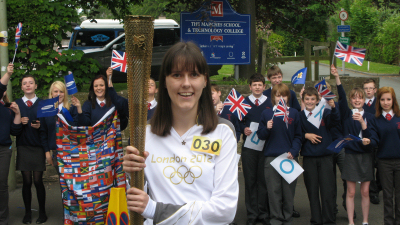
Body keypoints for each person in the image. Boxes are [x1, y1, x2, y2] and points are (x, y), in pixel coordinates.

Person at [122, 41, 239, 224]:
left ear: (205, 80)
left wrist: (156, 210)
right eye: (177, 75)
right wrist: (132, 175)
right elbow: (138, 203)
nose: (186, 83)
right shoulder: (144, 135)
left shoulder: (223, 133)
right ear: (165, 82)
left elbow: (225, 210)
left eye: (194, 74)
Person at [332, 65, 374, 225]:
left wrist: (363, 123)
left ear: (364, 100)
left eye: (360, 98)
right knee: (350, 192)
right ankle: (351, 222)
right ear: (351, 100)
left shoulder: (370, 116)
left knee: (364, 192)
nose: (357, 100)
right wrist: (337, 77)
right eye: (354, 98)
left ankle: (365, 221)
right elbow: (341, 98)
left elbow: (371, 137)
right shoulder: (346, 115)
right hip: (350, 156)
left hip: (365, 157)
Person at [257, 83, 302, 225]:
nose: (281, 98)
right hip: (271, 158)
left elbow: (298, 136)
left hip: (289, 157)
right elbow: (260, 135)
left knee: (288, 193)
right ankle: (276, 219)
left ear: (288, 97)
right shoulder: (266, 114)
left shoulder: (294, 113)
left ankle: (287, 218)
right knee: (273, 192)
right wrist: (267, 128)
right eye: (278, 95)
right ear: (273, 97)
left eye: (284, 95)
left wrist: (293, 151)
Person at [300, 87, 339, 225]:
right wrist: (306, 135)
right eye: (307, 99)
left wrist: (334, 108)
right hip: (309, 158)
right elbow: (296, 134)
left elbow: (334, 122)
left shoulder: (325, 112)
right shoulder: (300, 115)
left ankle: (328, 220)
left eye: (312, 99)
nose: (310, 101)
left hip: (325, 156)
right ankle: (316, 220)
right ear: (303, 100)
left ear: (317, 100)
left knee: (327, 190)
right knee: (312, 191)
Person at [15, 74, 50, 224]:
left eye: (31, 83)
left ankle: (42, 212)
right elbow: (13, 130)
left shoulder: (43, 104)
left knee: (38, 181)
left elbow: (49, 128)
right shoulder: (16, 104)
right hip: (23, 146)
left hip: (38, 147)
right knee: (26, 181)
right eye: (25, 83)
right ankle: (28, 213)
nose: (28, 85)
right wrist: (18, 122)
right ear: (21, 87)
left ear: (36, 86)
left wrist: (40, 126)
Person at [240, 73, 271, 225]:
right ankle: (252, 215)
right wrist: (243, 128)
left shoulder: (270, 103)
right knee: (250, 181)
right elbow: (237, 121)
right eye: (254, 85)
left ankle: (263, 214)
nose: (257, 87)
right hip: (249, 148)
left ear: (264, 87)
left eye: (260, 85)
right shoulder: (244, 102)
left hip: (266, 147)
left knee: (263, 181)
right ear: (250, 87)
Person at [369, 86, 400, 225]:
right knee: (387, 196)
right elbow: (375, 139)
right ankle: (388, 222)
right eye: (382, 99)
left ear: (393, 100)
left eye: (389, 99)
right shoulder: (375, 120)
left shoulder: (399, 117)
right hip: (384, 162)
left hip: (399, 160)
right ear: (379, 101)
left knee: (399, 195)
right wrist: (369, 141)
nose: (386, 102)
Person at [0, 63, 22, 225]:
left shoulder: (7, 108)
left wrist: (17, 113)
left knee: (2, 186)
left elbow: (15, 131)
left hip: (4, 150)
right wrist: (8, 73)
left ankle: (3, 219)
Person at [40, 81, 78, 174]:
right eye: (55, 91)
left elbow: (78, 126)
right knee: (62, 181)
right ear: (51, 93)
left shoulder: (72, 108)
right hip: (56, 151)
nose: (58, 94)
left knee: (73, 181)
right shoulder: (45, 110)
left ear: (65, 93)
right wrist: (47, 152)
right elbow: (43, 132)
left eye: (61, 91)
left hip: (72, 149)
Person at [362, 79, 381, 205]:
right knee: (369, 167)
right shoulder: (360, 103)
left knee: (380, 167)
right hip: (365, 140)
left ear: (375, 90)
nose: (368, 90)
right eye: (366, 88)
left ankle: (379, 186)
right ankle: (373, 192)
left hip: (378, 140)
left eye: (371, 88)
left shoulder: (380, 104)